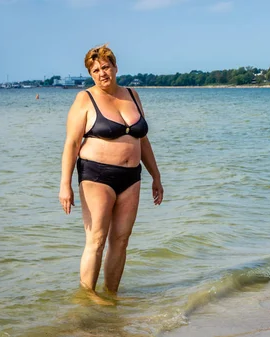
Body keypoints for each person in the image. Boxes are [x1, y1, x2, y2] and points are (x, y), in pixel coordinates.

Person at [59, 44, 163, 296]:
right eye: (95, 70)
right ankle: (87, 300)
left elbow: (143, 139)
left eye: (105, 67)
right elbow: (72, 143)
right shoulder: (85, 99)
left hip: (131, 178)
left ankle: (111, 298)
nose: (102, 73)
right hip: (96, 176)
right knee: (96, 240)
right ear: (90, 74)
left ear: (115, 67)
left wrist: (156, 176)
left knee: (121, 241)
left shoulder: (132, 94)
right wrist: (65, 184)